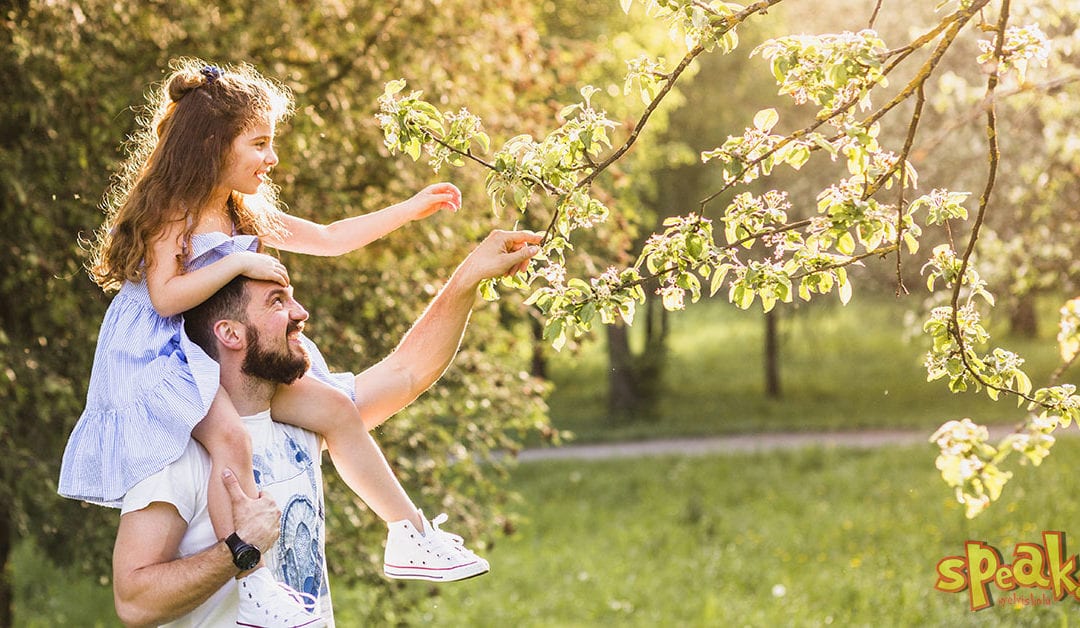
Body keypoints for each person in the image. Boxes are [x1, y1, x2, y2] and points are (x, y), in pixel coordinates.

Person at [58, 57, 482, 621]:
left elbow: (330, 239)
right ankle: (254, 581)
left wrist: (407, 211)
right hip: (168, 364)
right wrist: (237, 269)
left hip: (219, 361)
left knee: (335, 408)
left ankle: (408, 532)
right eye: (259, 143)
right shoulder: (171, 215)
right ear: (212, 144)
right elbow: (164, 298)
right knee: (231, 443)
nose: (271, 158)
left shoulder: (242, 214)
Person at [112, 229, 542, 626]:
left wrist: (470, 274)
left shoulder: (309, 420)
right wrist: (239, 549)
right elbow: (134, 600)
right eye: (277, 302)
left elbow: (408, 373)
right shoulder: (177, 448)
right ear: (230, 333)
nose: (301, 313)